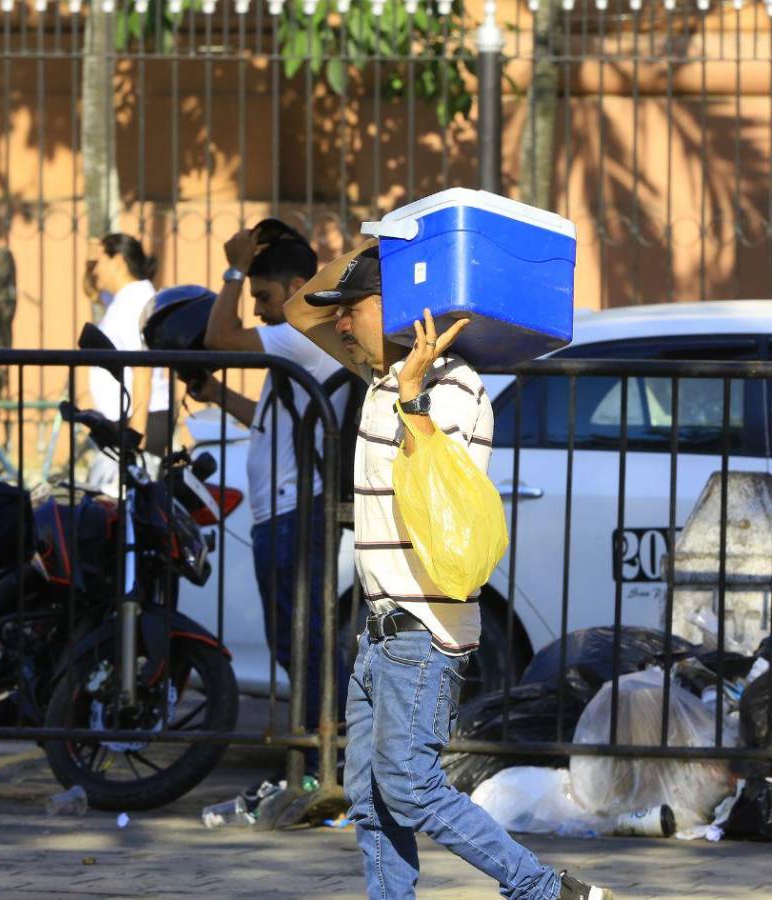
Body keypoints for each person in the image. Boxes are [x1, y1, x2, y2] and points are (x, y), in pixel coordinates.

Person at [284, 241, 613, 900]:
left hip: (423, 629)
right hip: (378, 635)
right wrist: (388, 245)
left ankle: (544, 891)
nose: (340, 324)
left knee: (413, 791)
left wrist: (413, 401)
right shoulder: (380, 379)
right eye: (340, 312)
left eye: (353, 308)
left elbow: (445, 494)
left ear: (401, 305)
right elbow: (299, 311)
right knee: (374, 803)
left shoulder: (452, 386)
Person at [196, 219, 343, 772]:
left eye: (262, 295)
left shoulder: (302, 332)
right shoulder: (297, 344)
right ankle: (324, 758)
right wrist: (216, 395)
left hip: (293, 513)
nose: (255, 308)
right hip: (280, 513)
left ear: (296, 288)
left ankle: (324, 763)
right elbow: (269, 421)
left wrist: (232, 270)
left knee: (304, 646)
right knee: (297, 645)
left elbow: (218, 340)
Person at [84, 233, 163, 487]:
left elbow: (143, 368)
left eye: (99, 262)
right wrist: (90, 261)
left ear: (117, 260)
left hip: (138, 418)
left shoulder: (135, 301)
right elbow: (91, 290)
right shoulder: (125, 297)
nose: (95, 270)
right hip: (130, 417)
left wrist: (136, 435)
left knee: (129, 509)